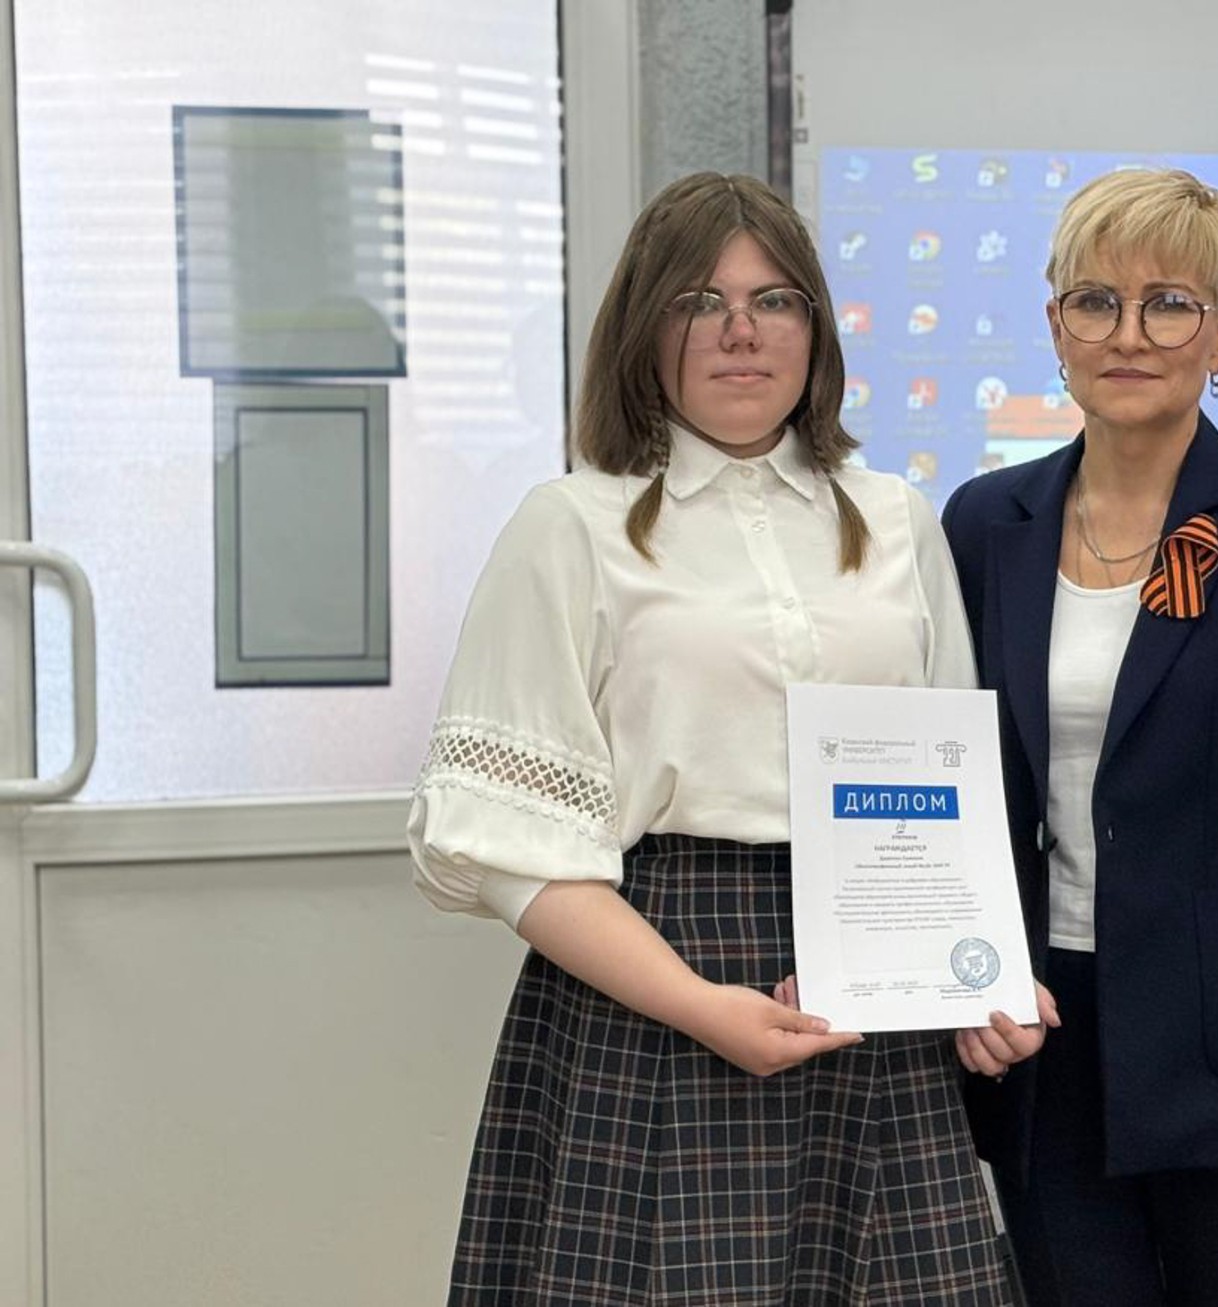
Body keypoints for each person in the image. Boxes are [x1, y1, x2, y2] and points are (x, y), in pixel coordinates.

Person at [408, 172, 1018, 1305]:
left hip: (872, 994)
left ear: (816, 330)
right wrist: (697, 1002)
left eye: (775, 300)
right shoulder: (570, 526)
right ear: (646, 328)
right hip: (652, 985)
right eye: (702, 301)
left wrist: (980, 982)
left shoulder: (895, 518)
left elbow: (951, 802)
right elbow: (503, 849)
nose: (743, 331)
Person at [941, 167, 1218, 1305]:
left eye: (1169, 305)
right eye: (1097, 301)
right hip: (1042, 1046)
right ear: (1057, 326)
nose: (1129, 334)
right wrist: (960, 976)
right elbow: (960, 788)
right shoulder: (986, 523)